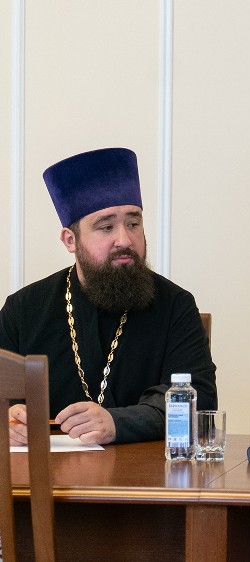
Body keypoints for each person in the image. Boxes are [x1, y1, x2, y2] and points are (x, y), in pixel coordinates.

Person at [1, 147, 218, 445]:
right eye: (106, 227)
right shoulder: (24, 309)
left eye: (133, 224)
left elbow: (200, 399)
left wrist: (118, 422)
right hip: (46, 471)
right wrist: (9, 419)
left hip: (146, 473)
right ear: (70, 240)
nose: (124, 240)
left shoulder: (175, 305)